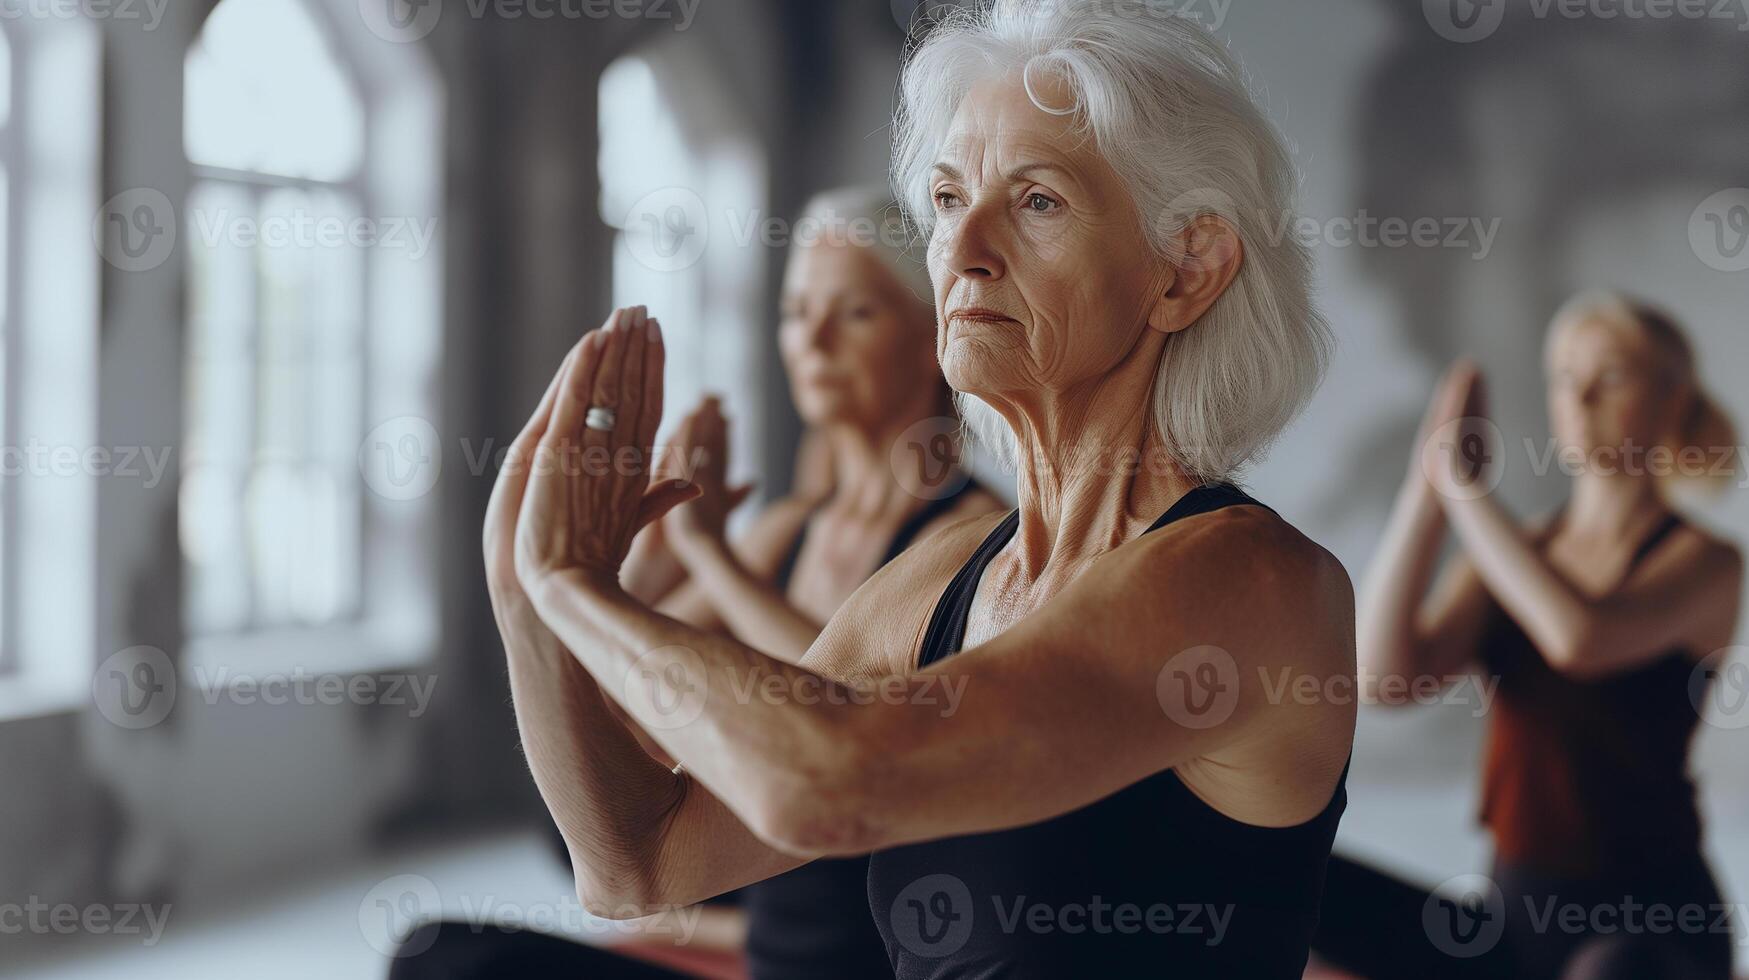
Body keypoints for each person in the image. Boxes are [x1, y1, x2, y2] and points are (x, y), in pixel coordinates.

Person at [487, 3, 1355, 977]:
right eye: (947, 198)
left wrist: (573, 586)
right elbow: (637, 864)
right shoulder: (935, 582)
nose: (964, 248)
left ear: (1185, 273)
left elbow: (834, 783)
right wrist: (524, 601)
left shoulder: (1251, 582)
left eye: (1037, 201)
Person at [396, 188, 1002, 979]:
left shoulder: (972, 534)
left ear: (930, 336)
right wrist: (601, 562)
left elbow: (853, 717)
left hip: (848, 938)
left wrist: (710, 553)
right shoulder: (788, 528)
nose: (812, 341)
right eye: (794, 313)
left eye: (853, 313)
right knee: (442, 956)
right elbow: (618, 702)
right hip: (756, 911)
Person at [1313, 292, 1742, 980]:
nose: (1579, 398)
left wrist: (1466, 494)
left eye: (1609, 376)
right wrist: (1425, 500)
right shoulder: (1515, 552)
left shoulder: (1704, 560)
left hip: (1649, 929)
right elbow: (1384, 679)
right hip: (1514, 919)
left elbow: (1579, 640)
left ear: (1669, 398)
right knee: (1287, 880)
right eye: (1564, 377)